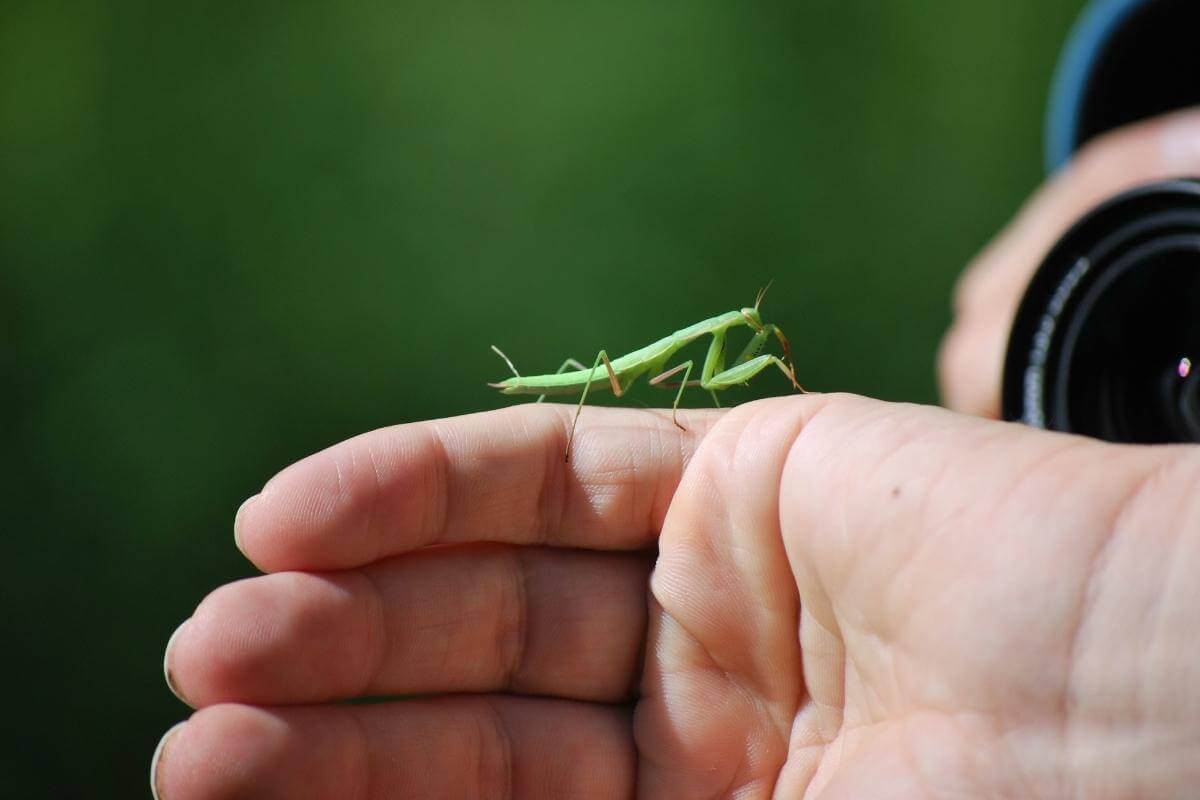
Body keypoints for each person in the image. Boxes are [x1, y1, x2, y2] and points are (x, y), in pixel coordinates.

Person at [151, 109, 1200, 799]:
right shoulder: (688, 362)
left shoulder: (726, 354)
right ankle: (527, 378)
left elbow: (705, 373)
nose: (749, 330)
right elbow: (667, 374)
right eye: (750, 324)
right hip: (591, 372)